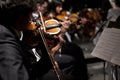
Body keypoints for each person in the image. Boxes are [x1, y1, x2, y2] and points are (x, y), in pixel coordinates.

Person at [0, 0, 37, 80]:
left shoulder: (7, 31)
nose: (32, 20)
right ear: (21, 17)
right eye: (30, 15)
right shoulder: (5, 38)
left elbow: (29, 71)